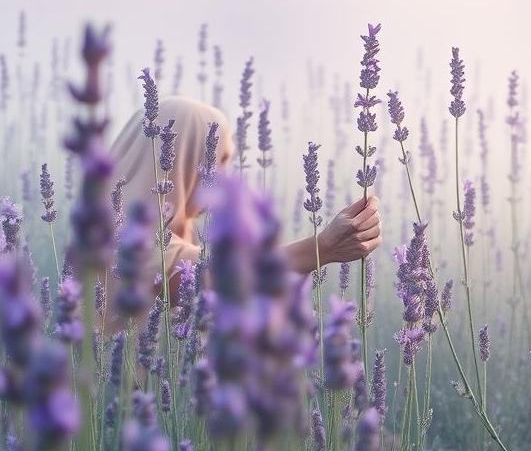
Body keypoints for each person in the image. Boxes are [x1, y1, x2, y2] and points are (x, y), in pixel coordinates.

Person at [108, 95, 382, 303]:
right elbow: (218, 277)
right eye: (219, 160)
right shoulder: (127, 239)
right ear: (180, 159)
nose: (226, 176)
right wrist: (322, 248)